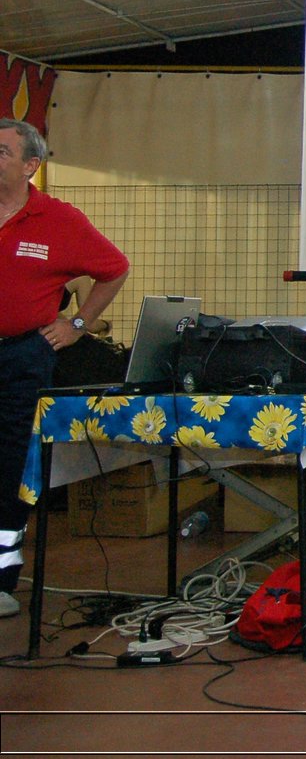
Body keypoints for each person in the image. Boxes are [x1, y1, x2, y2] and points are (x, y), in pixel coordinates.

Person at [0, 118, 129, 619]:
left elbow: (114, 268)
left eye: (3, 152)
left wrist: (76, 323)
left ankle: (3, 579)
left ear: (32, 165)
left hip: (21, 357)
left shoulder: (57, 219)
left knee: (9, 463)